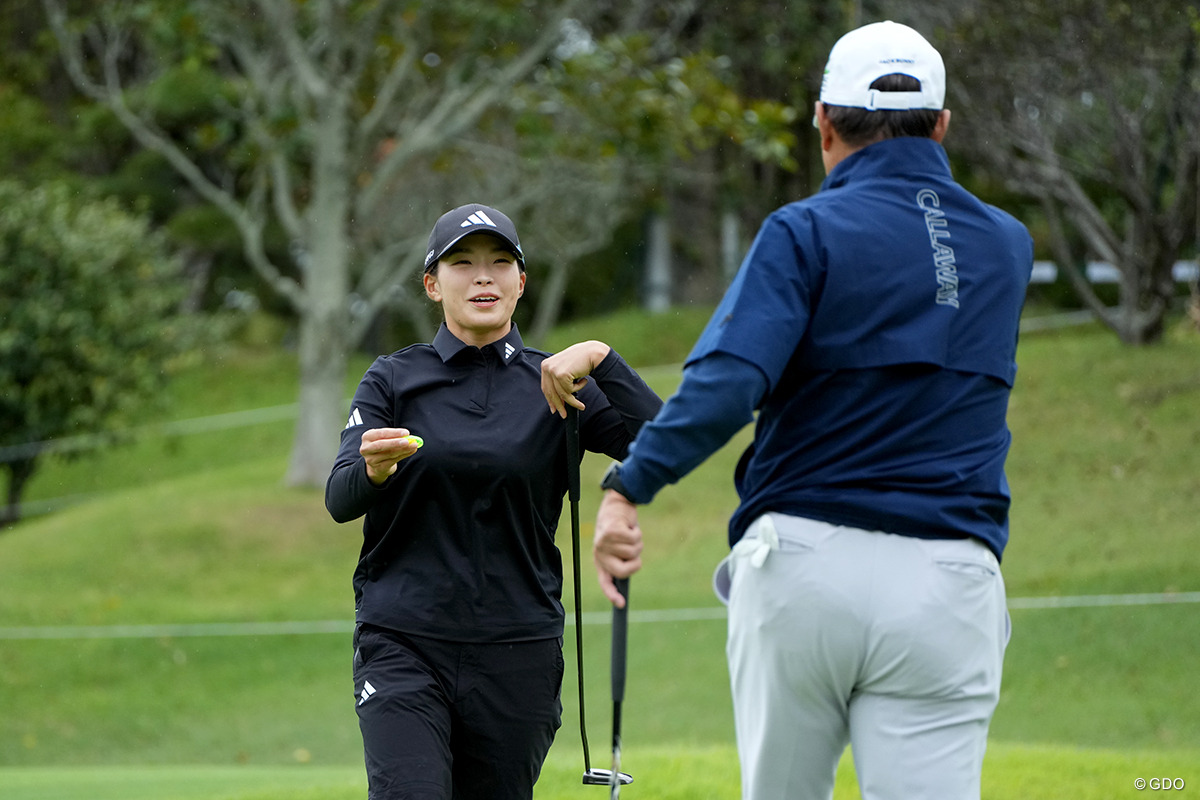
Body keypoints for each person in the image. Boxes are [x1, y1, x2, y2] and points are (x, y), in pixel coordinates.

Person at [593, 21, 1033, 800]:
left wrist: (631, 484)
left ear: (823, 123)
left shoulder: (803, 231)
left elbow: (730, 382)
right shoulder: (1007, 245)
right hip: (951, 578)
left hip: (805, 570)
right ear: (942, 125)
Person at [326, 203, 662, 800]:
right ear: (432, 283)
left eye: (500, 262)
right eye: (462, 263)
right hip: (404, 642)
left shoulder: (558, 383)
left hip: (518, 651)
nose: (484, 277)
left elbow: (661, 441)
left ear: (521, 282)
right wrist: (373, 471)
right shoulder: (393, 379)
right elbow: (340, 496)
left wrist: (602, 358)